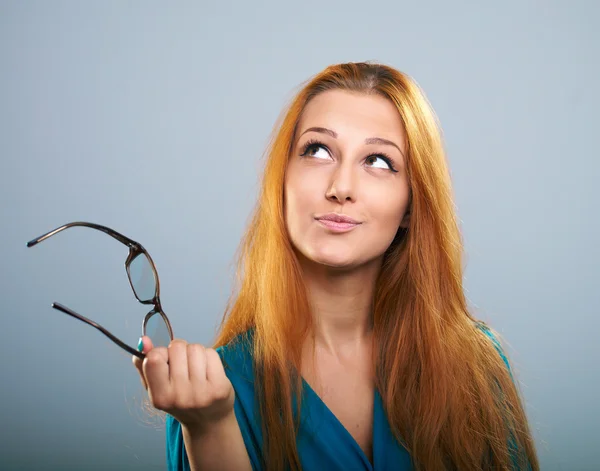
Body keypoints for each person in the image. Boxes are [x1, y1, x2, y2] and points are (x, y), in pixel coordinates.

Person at [133, 62, 539, 471]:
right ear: (281, 182)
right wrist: (210, 429)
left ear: (411, 206)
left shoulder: (475, 367)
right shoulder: (215, 396)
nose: (341, 188)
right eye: (318, 151)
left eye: (379, 161)